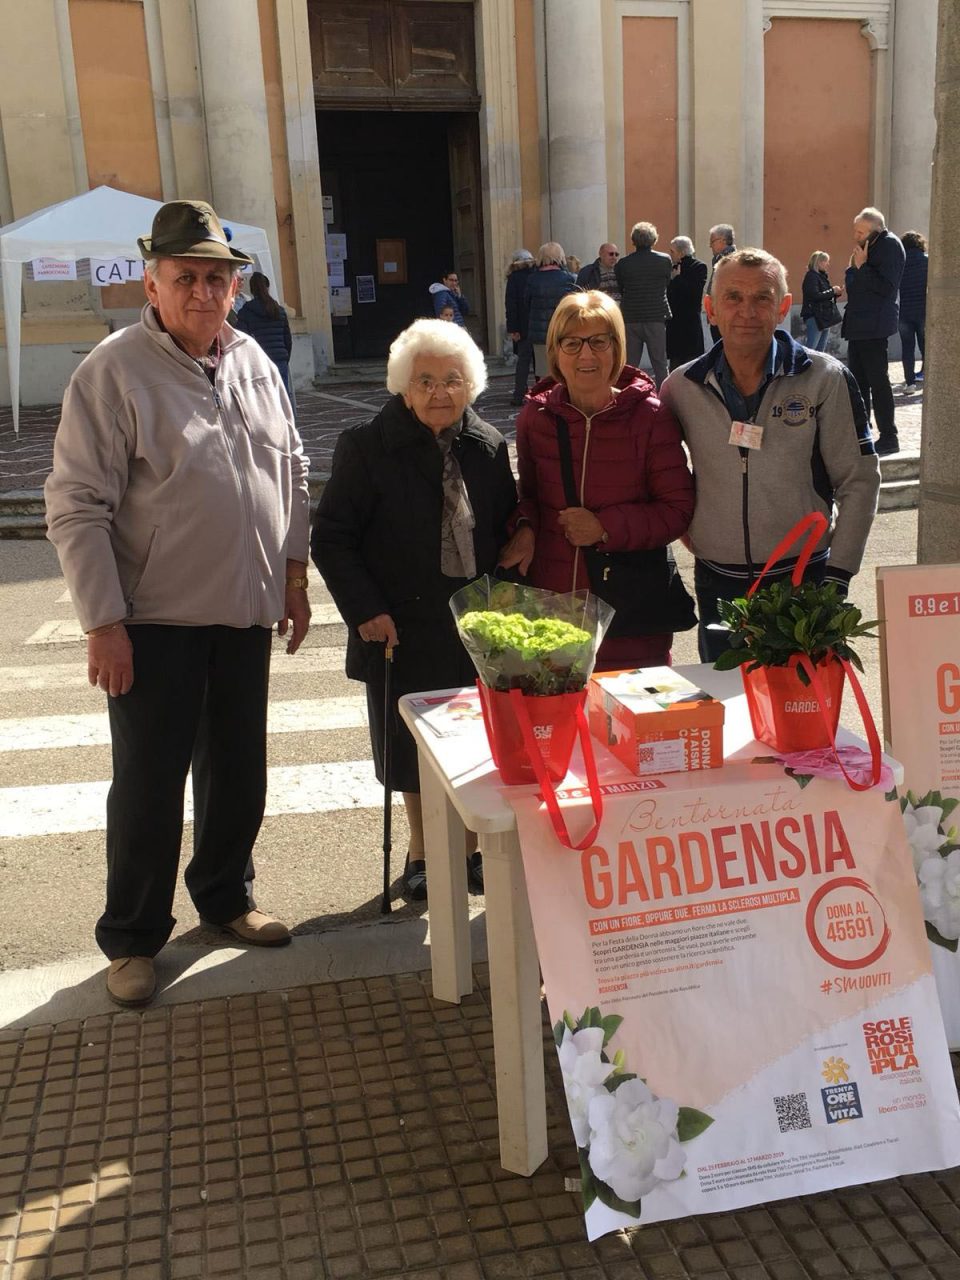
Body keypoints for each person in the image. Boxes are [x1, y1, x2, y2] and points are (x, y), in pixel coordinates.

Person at [44, 199, 312, 1007]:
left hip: (244, 611)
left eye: (216, 277)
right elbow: (76, 505)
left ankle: (226, 898)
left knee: (238, 773)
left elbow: (291, 467)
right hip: (153, 622)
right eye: (185, 277)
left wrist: (293, 575)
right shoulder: (113, 370)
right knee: (149, 785)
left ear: (236, 287)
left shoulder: (256, 363)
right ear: (151, 288)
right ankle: (131, 938)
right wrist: (103, 622)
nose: (203, 291)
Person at [311, 319, 517, 903]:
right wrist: (365, 610)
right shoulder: (366, 446)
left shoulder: (487, 445)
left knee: (477, 742)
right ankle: (424, 854)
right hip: (397, 626)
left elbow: (506, 520)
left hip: (471, 625)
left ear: (470, 384)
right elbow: (331, 538)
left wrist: (522, 531)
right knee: (412, 751)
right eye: (424, 380)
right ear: (403, 384)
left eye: (452, 380)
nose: (438, 393)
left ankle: (473, 852)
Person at [660, 248, 880, 663]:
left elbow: (860, 479)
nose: (747, 310)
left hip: (803, 580)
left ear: (782, 308)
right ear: (710, 309)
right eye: (733, 297)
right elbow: (659, 473)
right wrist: (685, 523)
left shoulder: (824, 379)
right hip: (718, 582)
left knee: (799, 711)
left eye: (762, 297)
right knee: (727, 704)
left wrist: (839, 576)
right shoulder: (680, 388)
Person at [498, 290, 694, 670]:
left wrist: (605, 527)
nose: (586, 355)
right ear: (554, 352)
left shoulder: (651, 419)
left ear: (617, 348)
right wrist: (524, 526)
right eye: (571, 343)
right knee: (559, 723)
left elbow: (677, 509)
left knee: (630, 724)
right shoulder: (535, 419)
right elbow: (531, 496)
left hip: (629, 612)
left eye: (598, 341)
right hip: (553, 607)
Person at [842, 207, 905, 456]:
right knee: (857, 383)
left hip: (874, 326)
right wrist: (856, 270)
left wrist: (862, 267)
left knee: (878, 382)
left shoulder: (889, 246)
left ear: (874, 231)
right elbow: (853, 281)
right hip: (859, 325)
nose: (855, 236)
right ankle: (862, 433)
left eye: (860, 231)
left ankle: (889, 436)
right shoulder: (869, 246)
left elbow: (887, 288)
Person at [614, 221, 672, 388]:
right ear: (654, 240)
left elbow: (621, 286)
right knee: (660, 363)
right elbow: (666, 282)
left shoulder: (623, 264)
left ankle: (627, 394)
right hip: (656, 316)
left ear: (633, 240)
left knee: (630, 364)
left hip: (630, 316)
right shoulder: (664, 260)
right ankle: (664, 397)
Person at [234, 270, 294, 397]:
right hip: (279, 358)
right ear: (268, 287)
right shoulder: (279, 310)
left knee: (263, 398)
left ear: (252, 289)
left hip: (259, 360)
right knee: (282, 397)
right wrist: (284, 356)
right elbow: (287, 339)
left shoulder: (246, 311)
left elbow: (241, 338)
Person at [523, 242, 578, 381]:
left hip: (539, 332)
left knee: (543, 373)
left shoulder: (532, 279)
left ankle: (544, 400)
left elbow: (527, 304)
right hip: (562, 330)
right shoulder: (568, 279)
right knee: (563, 370)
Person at [665, 236, 707, 369]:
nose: (670, 254)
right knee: (675, 364)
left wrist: (677, 279)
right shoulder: (672, 267)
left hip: (689, 322)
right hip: (675, 322)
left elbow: (694, 293)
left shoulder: (699, 267)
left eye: (672, 251)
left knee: (691, 364)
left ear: (681, 252)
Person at [505, 248, 537, 406]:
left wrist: (513, 329)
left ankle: (519, 394)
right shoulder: (537, 275)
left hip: (522, 326)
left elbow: (511, 305)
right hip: (538, 324)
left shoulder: (514, 278)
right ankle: (541, 393)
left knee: (523, 362)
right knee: (540, 361)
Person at [898, 231, 928, 388]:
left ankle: (909, 383)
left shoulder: (900, 262)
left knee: (907, 348)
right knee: (926, 347)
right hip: (923, 310)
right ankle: (926, 377)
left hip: (904, 311)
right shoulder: (927, 261)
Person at [800, 252, 843, 352]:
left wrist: (835, 293)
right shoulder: (811, 276)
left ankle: (815, 367)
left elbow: (823, 295)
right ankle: (804, 367)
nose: (828, 264)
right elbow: (815, 295)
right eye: (826, 261)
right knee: (811, 350)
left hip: (823, 317)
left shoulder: (820, 276)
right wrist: (832, 291)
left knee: (820, 352)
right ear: (819, 262)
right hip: (815, 316)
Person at [706, 223, 737, 343]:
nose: (710, 245)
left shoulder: (729, 259)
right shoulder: (720, 258)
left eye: (712, 241)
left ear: (722, 241)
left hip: (723, 314)